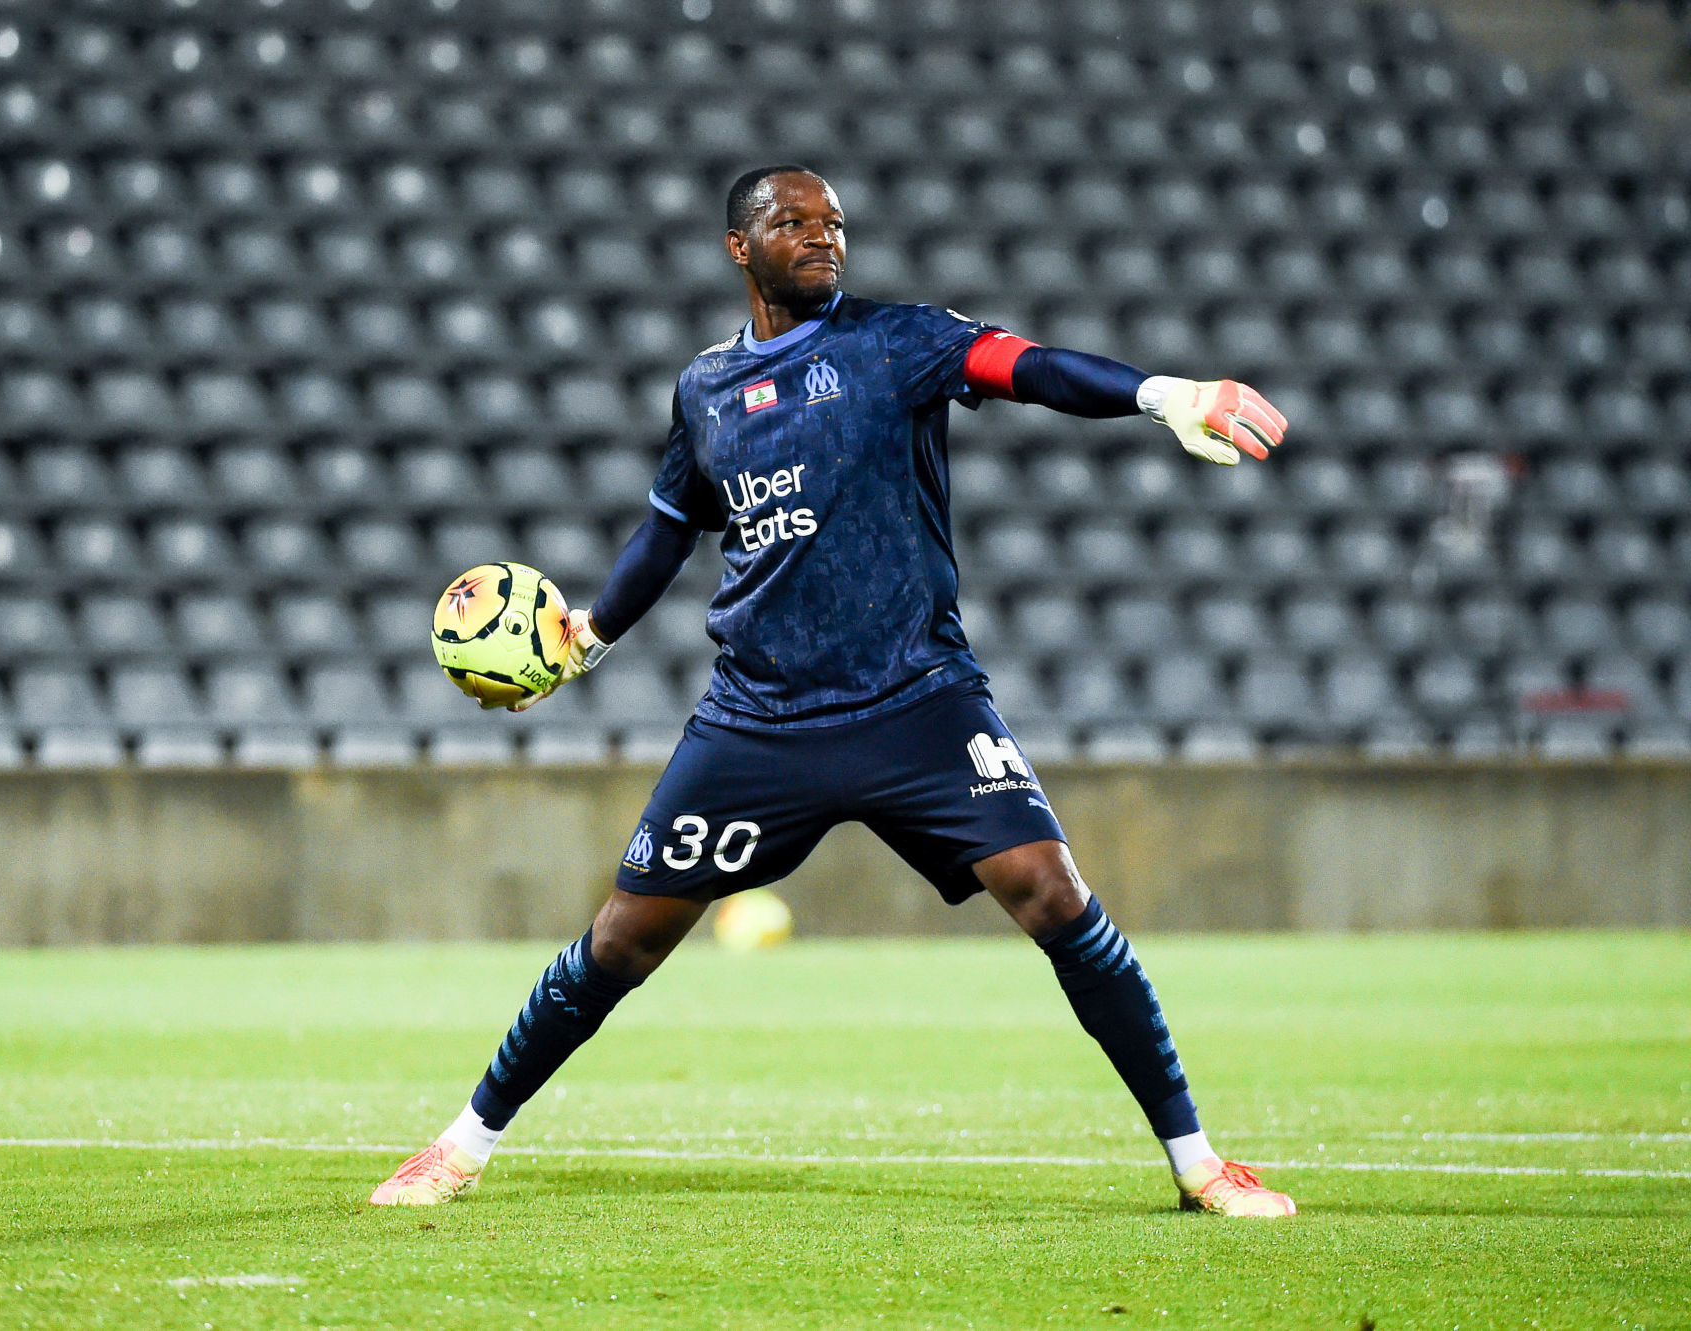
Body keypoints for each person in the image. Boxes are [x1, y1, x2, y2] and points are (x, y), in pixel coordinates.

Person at [372, 165, 1295, 1217]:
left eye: (834, 222)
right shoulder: (705, 388)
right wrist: (587, 636)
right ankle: (457, 1144)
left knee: (1053, 892)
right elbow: (672, 525)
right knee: (622, 939)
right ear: (739, 246)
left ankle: (1197, 1164)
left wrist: (1160, 393)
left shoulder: (895, 342)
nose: (823, 237)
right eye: (793, 221)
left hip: (917, 697)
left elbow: (1024, 364)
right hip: (758, 717)